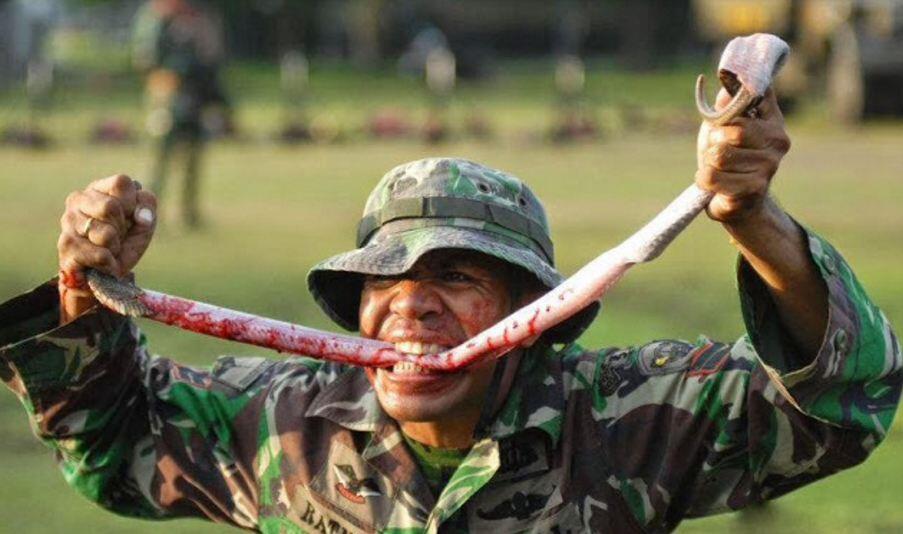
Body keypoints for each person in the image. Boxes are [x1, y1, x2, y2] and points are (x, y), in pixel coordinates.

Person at [0, 89, 900, 533]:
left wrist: (751, 218)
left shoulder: (625, 417)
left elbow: (838, 404)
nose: (411, 306)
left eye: (460, 277)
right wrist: (85, 288)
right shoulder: (284, 422)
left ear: (532, 311)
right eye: (383, 279)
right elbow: (113, 444)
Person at [132, 0, 229, 228]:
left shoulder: (200, 17)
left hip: (196, 96)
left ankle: (188, 214)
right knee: (159, 160)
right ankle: (146, 216)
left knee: (193, 158)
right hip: (168, 97)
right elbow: (146, 58)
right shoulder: (157, 17)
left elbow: (212, 56)